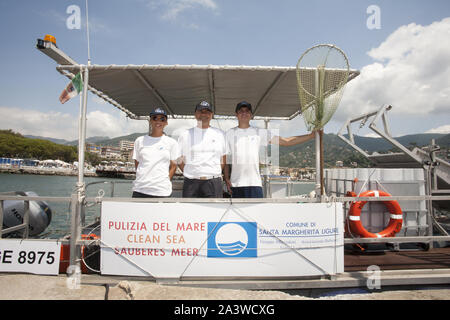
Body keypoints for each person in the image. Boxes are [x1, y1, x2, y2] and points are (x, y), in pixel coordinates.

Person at [224, 101, 315, 198]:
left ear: (251, 115)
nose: (244, 113)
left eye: (247, 111)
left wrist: (311, 136)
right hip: (235, 184)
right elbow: (225, 159)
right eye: (241, 111)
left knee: (256, 213)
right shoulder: (229, 133)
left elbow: (286, 141)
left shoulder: (259, 132)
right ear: (236, 114)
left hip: (255, 184)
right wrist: (226, 179)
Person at [177, 101, 226, 198]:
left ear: (211, 115)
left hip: (213, 182)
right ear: (195, 114)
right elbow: (179, 159)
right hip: (191, 182)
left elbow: (223, 158)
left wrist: (212, 173)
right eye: (200, 111)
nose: (204, 114)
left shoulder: (220, 134)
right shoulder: (185, 134)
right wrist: (191, 172)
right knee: (190, 212)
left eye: (207, 112)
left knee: (215, 213)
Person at [132, 107, 179, 198]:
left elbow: (173, 166)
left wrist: (165, 181)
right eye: (155, 118)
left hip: (162, 191)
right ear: (150, 121)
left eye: (162, 119)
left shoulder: (172, 143)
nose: (158, 121)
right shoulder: (139, 141)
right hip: (140, 189)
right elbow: (137, 164)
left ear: (166, 123)